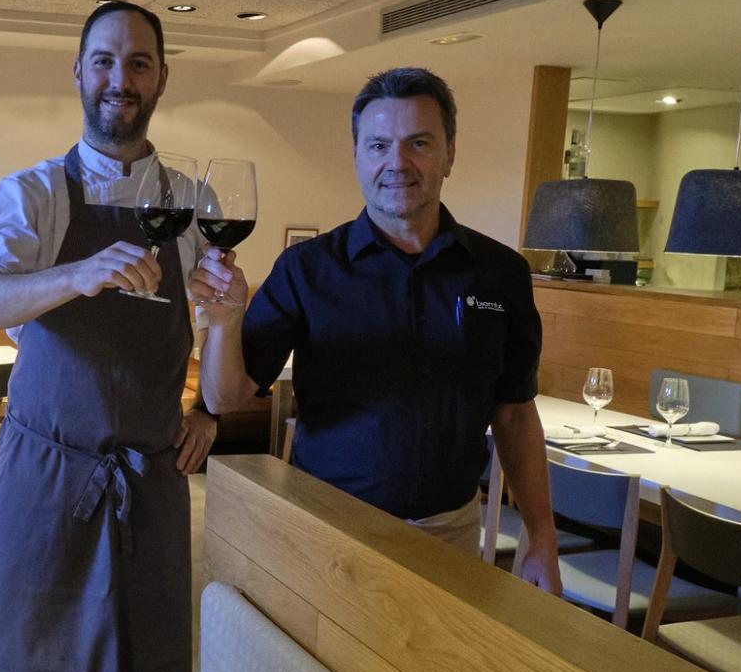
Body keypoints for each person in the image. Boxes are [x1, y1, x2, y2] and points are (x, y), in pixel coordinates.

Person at [192, 67, 562, 593]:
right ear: (358, 156)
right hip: (325, 529)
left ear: (449, 154)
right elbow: (225, 396)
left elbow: (516, 413)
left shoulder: (500, 273)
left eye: (419, 143)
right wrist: (227, 322)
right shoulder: (307, 269)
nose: (398, 162)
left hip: (450, 536)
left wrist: (542, 536)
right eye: (380, 144)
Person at [0, 1, 215, 672]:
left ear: (162, 78)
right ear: (78, 72)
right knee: (26, 667)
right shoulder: (32, 194)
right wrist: (77, 274)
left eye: (138, 63)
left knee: (147, 671)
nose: (119, 79)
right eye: (104, 60)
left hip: (149, 484)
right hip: (45, 477)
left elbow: (213, 326)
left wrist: (213, 408)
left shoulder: (193, 202)